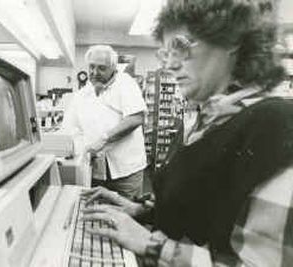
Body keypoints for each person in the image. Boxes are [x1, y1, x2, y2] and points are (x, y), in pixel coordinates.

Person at [81, 0, 293, 266]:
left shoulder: (278, 126)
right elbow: (211, 213)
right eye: (164, 53)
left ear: (231, 41)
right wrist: (142, 211)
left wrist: (152, 245)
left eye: (181, 46)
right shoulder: (216, 117)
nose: (170, 64)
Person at [63, 45, 147, 200]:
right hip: (94, 171)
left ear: (113, 68)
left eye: (102, 68)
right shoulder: (81, 95)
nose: (95, 73)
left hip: (125, 171)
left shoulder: (125, 83)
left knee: (127, 215)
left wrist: (104, 139)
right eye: (92, 67)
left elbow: (136, 118)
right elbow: (69, 128)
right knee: (96, 216)